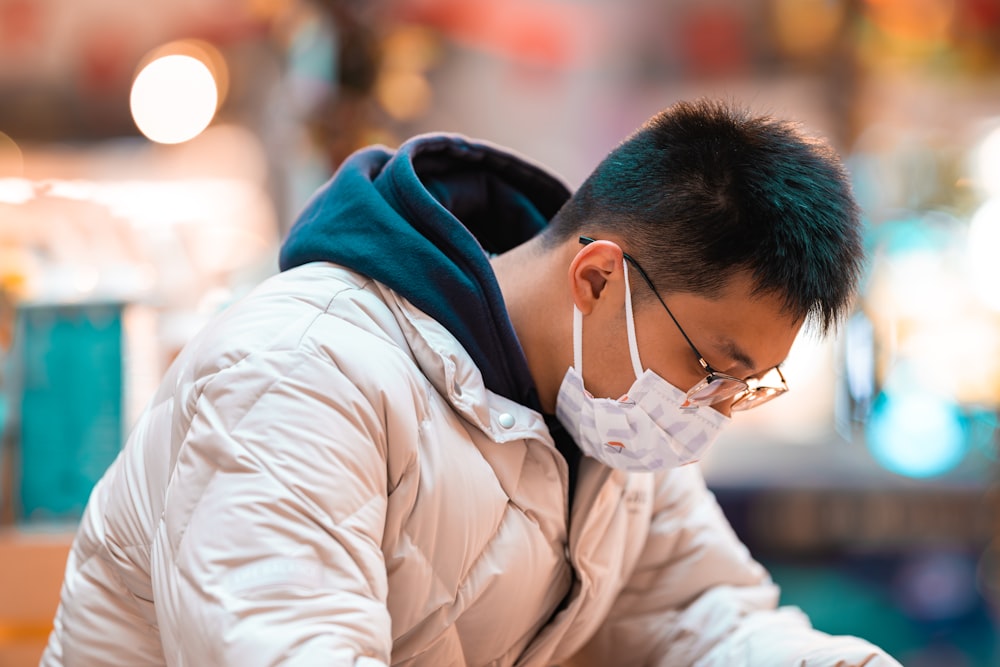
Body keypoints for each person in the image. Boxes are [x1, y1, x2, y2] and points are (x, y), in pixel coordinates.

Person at [42, 99, 902, 666]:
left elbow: (697, 614)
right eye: (711, 366)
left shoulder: (609, 414)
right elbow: (285, 646)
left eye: (740, 385)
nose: (706, 406)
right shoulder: (301, 372)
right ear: (598, 279)